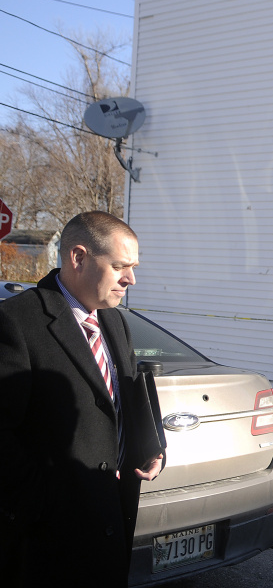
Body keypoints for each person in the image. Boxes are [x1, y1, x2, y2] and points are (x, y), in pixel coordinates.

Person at [0, 211, 165, 587]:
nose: (131, 279)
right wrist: (42, 504)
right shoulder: (16, 322)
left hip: (112, 526)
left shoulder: (115, 322)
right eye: (121, 266)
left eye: (134, 267)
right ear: (78, 258)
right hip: (48, 544)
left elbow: (120, 400)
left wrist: (151, 447)